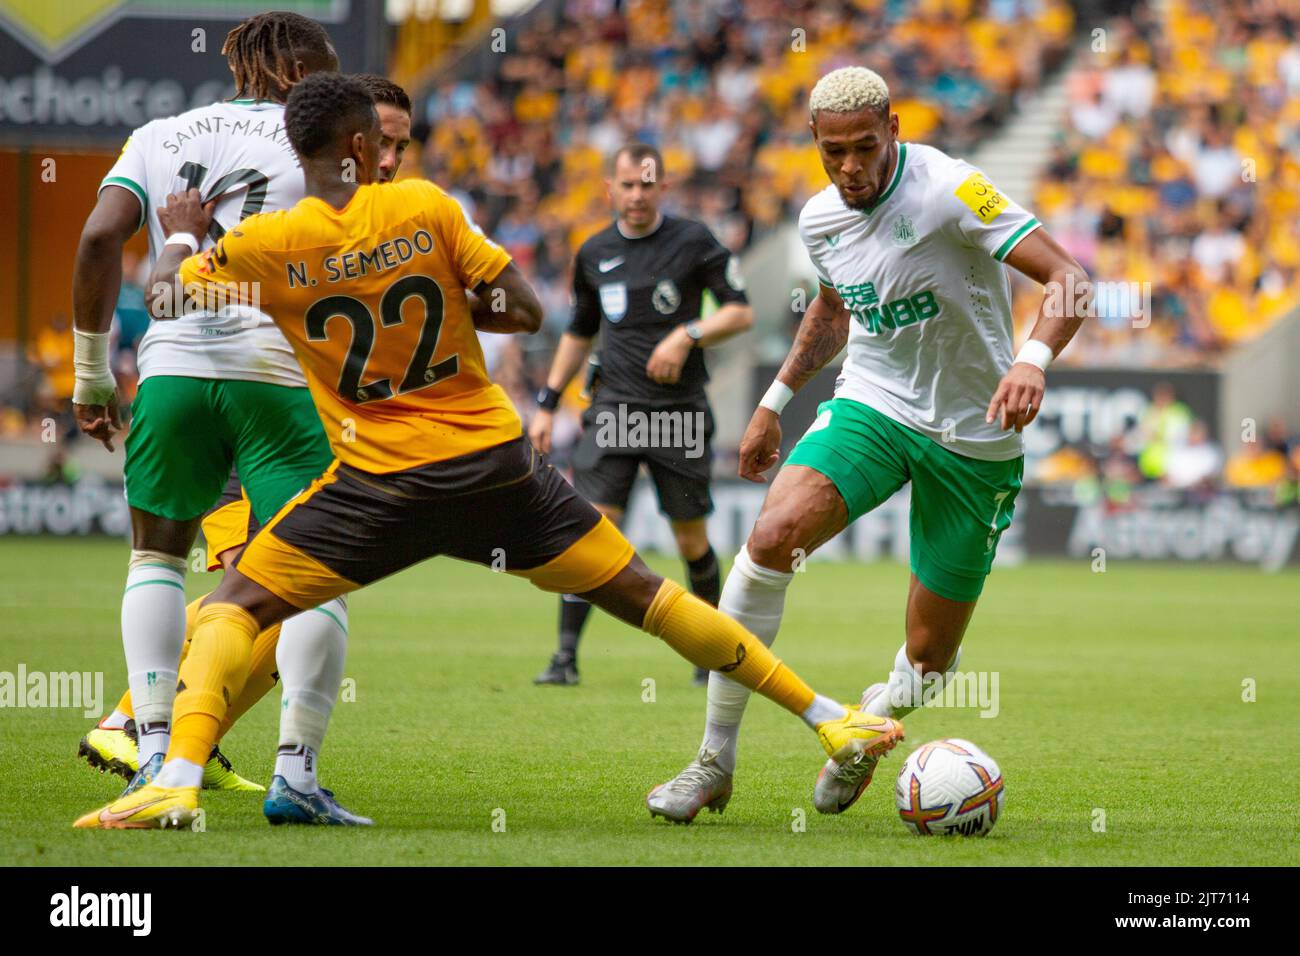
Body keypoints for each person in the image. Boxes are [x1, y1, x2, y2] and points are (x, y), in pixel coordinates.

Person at [72, 72, 902, 830]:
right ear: (362, 148)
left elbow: (168, 298)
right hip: (495, 470)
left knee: (229, 608)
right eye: (383, 138)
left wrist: (181, 234)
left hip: (376, 484)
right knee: (651, 597)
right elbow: (523, 309)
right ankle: (829, 717)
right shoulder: (426, 208)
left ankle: (177, 773)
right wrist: (457, 303)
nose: (393, 151)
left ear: (301, 152)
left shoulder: (271, 245)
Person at [647, 66, 1089, 823]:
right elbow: (833, 307)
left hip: (975, 435)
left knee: (929, 657)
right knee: (769, 541)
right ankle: (713, 759)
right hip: (875, 404)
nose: (850, 168)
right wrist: (773, 400)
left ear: (893, 128)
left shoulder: (954, 188)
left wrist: (1031, 360)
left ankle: (866, 730)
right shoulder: (820, 220)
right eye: (833, 153)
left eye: (863, 148)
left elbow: (1070, 279)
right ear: (814, 145)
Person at [77, 67, 417, 825]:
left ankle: (160, 732)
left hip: (236, 399)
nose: (387, 159)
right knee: (270, 590)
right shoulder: (314, 185)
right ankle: (156, 733)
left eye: (400, 145)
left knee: (252, 594)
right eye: (379, 142)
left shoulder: (364, 206)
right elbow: (171, 287)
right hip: (256, 413)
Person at [528, 144, 753, 687]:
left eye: (647, 185)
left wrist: (687, 333)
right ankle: (564, 658)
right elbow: (580, 332)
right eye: (627, 185)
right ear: (610, 189)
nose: (636, 195)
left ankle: (712, 652)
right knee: (594, 533)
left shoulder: (694, 241)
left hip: (678, 414)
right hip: (613, 410)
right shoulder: (593, 252)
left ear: (663, 188)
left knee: (690, 540)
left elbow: (740, 311)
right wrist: (548, 402)